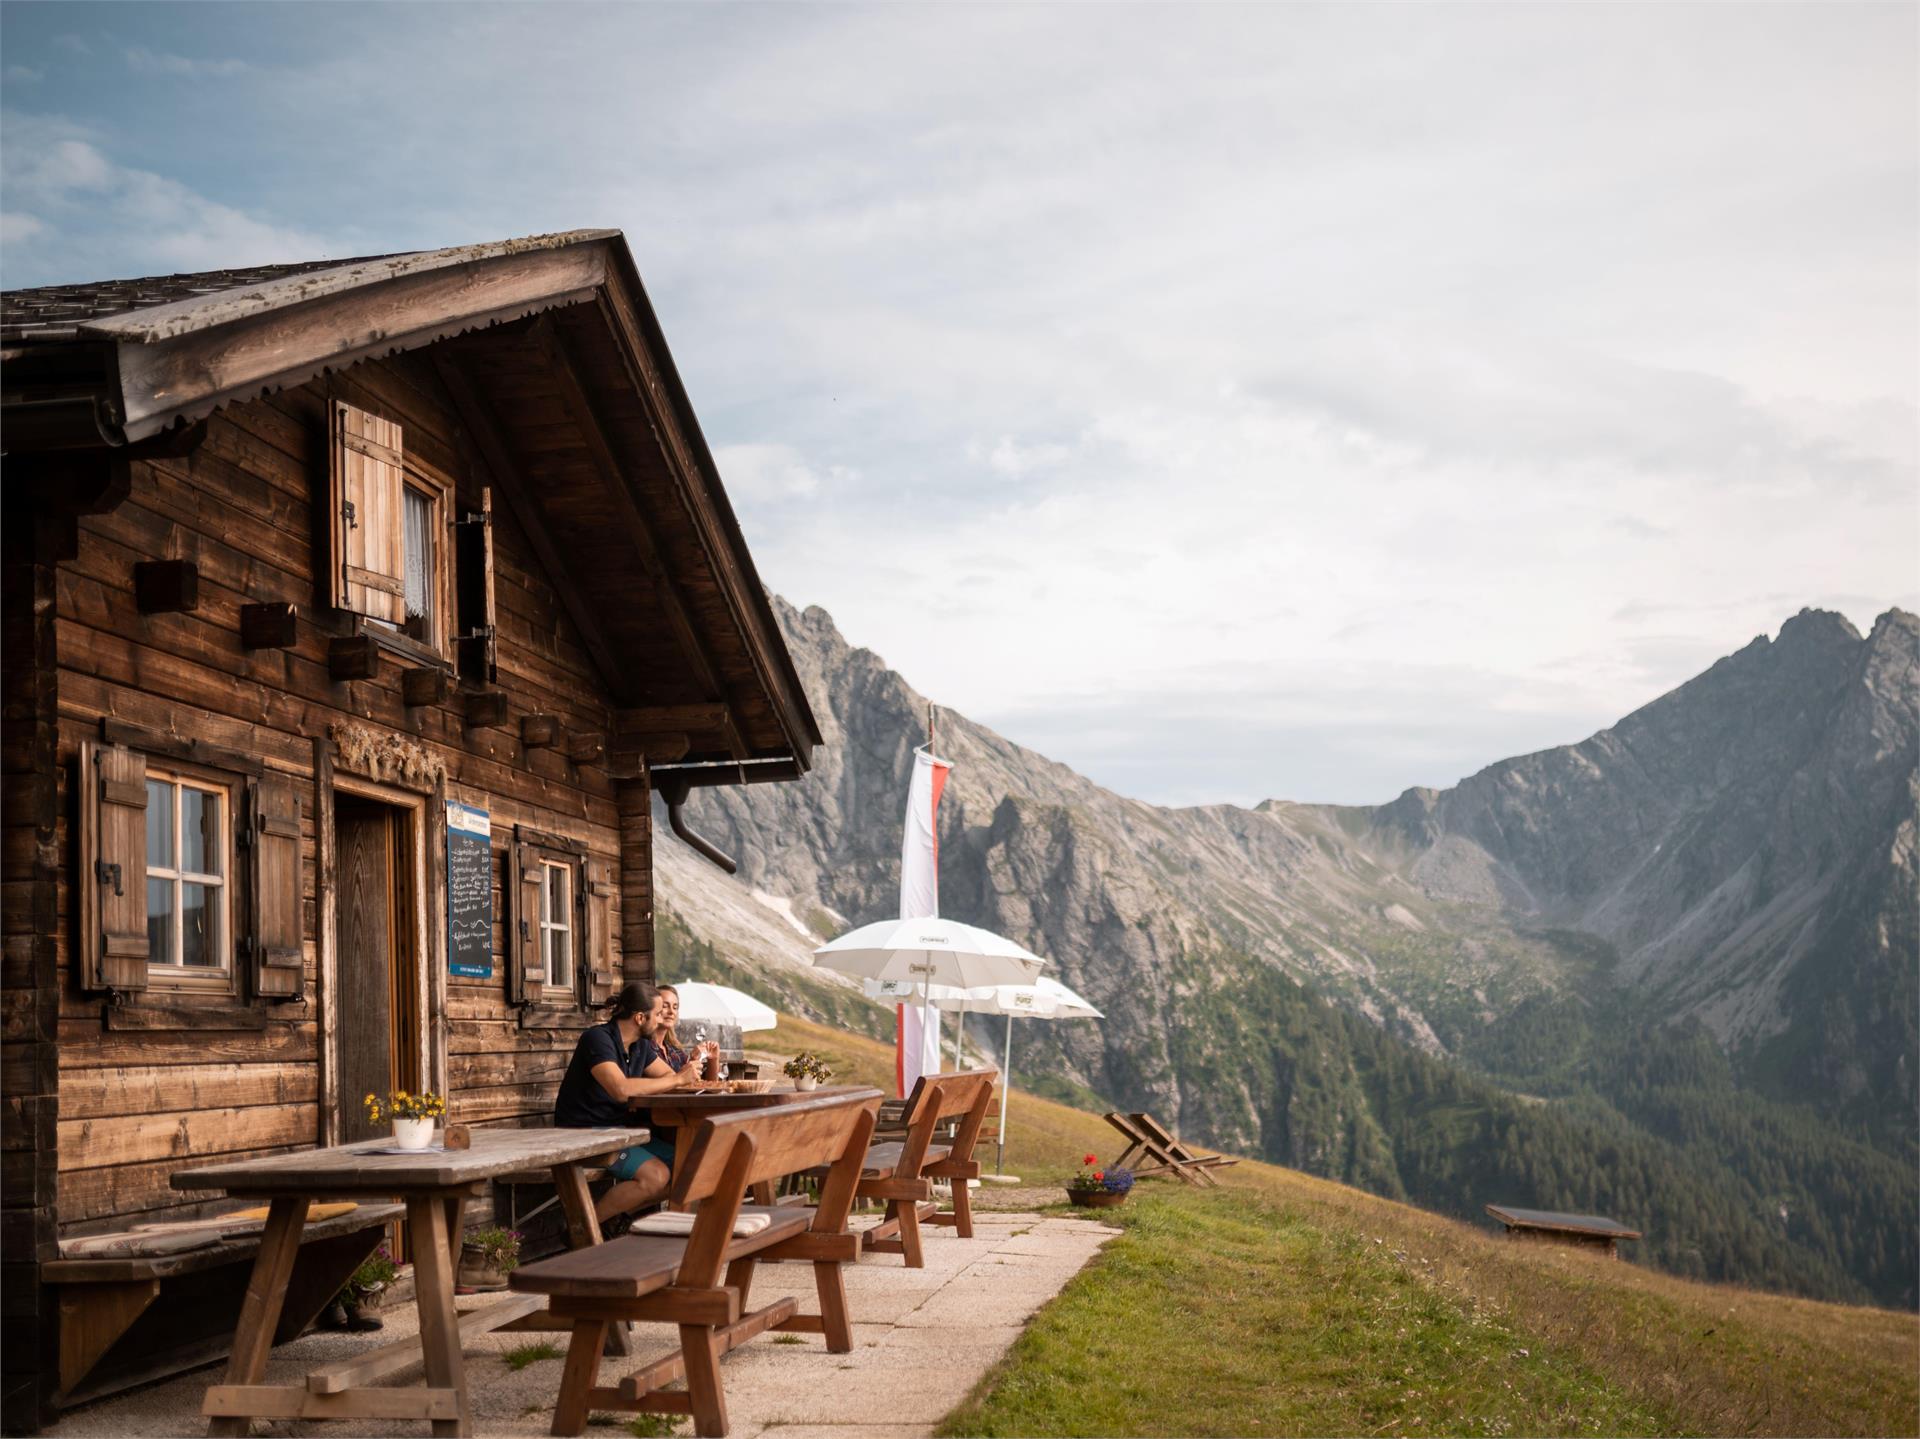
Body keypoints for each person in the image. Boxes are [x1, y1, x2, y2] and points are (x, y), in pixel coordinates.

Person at [552, 981, 708, 1224]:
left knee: (691, 1167)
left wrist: (679, 1078)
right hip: (584, 1133)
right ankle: (583, 1228)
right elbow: (620, 1089)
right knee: (657, 1176)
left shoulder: (640, 1047)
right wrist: (678, 1079)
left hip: (619, 1132)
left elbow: (668, 1077)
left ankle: (614, 1219)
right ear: (639, 1018)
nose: (660, 1021)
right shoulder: (597, 1039)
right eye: (657, 1014)